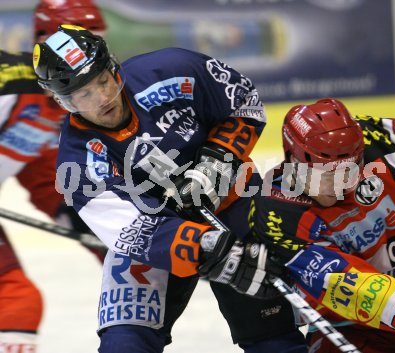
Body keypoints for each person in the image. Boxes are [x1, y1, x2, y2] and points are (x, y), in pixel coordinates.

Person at [34, 25, 308, 353]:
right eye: (85, 94)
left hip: (233, 204)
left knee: (273, 338)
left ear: (113, 67)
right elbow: (136, 233)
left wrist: (215, 163)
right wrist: (209, 248)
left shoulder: (172, 70)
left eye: (103, 82)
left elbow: (242, 103)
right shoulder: (78, 162)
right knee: (124, 344)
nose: (104, 98)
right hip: (155, 242)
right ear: (63, 101)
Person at [240, 98, 395, 353]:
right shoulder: (276, 212)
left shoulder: (380, 138)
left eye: (349, 172)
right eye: (326, 175)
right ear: (293, 160)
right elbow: (340, 279)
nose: (340, 186)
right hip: (353, 325)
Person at [0, 1, 107, 352]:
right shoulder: (8, 85)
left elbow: (44, 177)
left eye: (96, 42)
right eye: (75, 42)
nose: (87, 58)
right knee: (15, 299)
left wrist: (95, 229)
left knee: (17, 303)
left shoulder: (64, 105)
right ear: (43, 41)